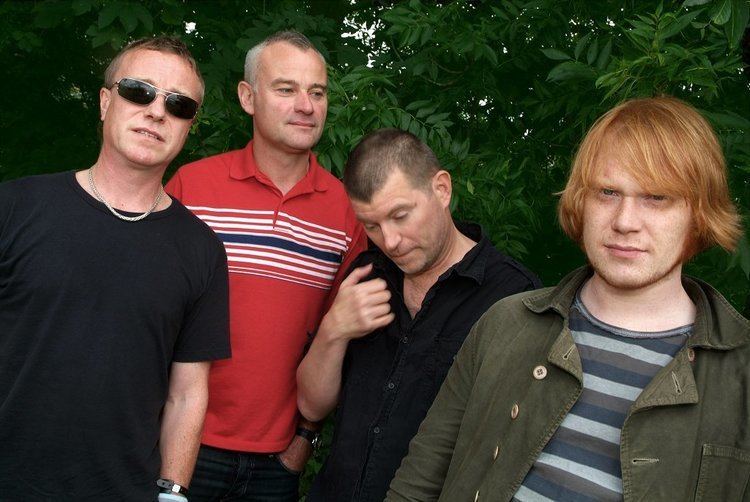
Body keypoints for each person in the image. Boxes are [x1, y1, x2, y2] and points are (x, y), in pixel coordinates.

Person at [385, 96, 749, 502]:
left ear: (698, 213)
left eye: (656, 197)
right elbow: (416, 485)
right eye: (607, 192)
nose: (625, 221)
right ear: (582, 201)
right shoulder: (505, 324)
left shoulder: (740, 374)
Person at [0, 37, 230, 500]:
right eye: (139, 91)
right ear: (106, 102)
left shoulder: (202, 250)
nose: (157, 112)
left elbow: (187, 394)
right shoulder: (15, 206)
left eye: (179, 104)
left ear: (188, 127)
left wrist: (172, 491)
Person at [165, 30, 366, 500]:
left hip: (277, 463)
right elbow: (144, 316)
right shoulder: (192, 188)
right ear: (247, 97)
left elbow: (348, 342)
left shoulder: (347, 212)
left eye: (317, 92)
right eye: (286, 89)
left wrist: (305, 440)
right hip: (180, 442)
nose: (306, 105)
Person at [297, 128, 541, 502]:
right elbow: (311, 406)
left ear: (441, 189)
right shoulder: (367, 274)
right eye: (371, 225)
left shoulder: (511, 295)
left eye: (400, 215)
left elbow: (514, 442)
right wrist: (334, 330)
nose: (390, 241)